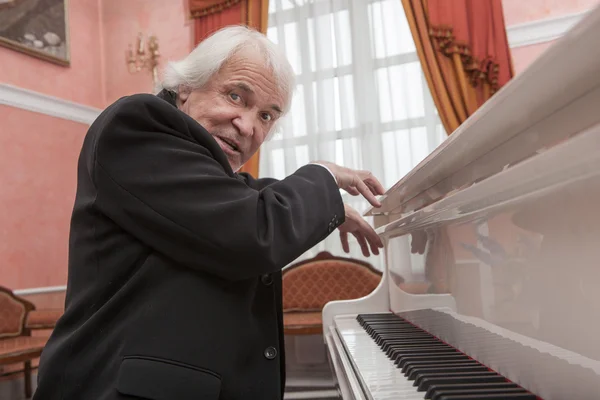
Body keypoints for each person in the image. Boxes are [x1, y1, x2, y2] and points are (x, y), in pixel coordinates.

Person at [34, 25, 385, 400]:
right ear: (186, 86)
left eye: (267, 116)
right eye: (236, 96)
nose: (248, 126)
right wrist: (324, 177)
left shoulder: (200, 173)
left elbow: (244, 195)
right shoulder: (137, 124)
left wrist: (328, 206)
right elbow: (252, 230)